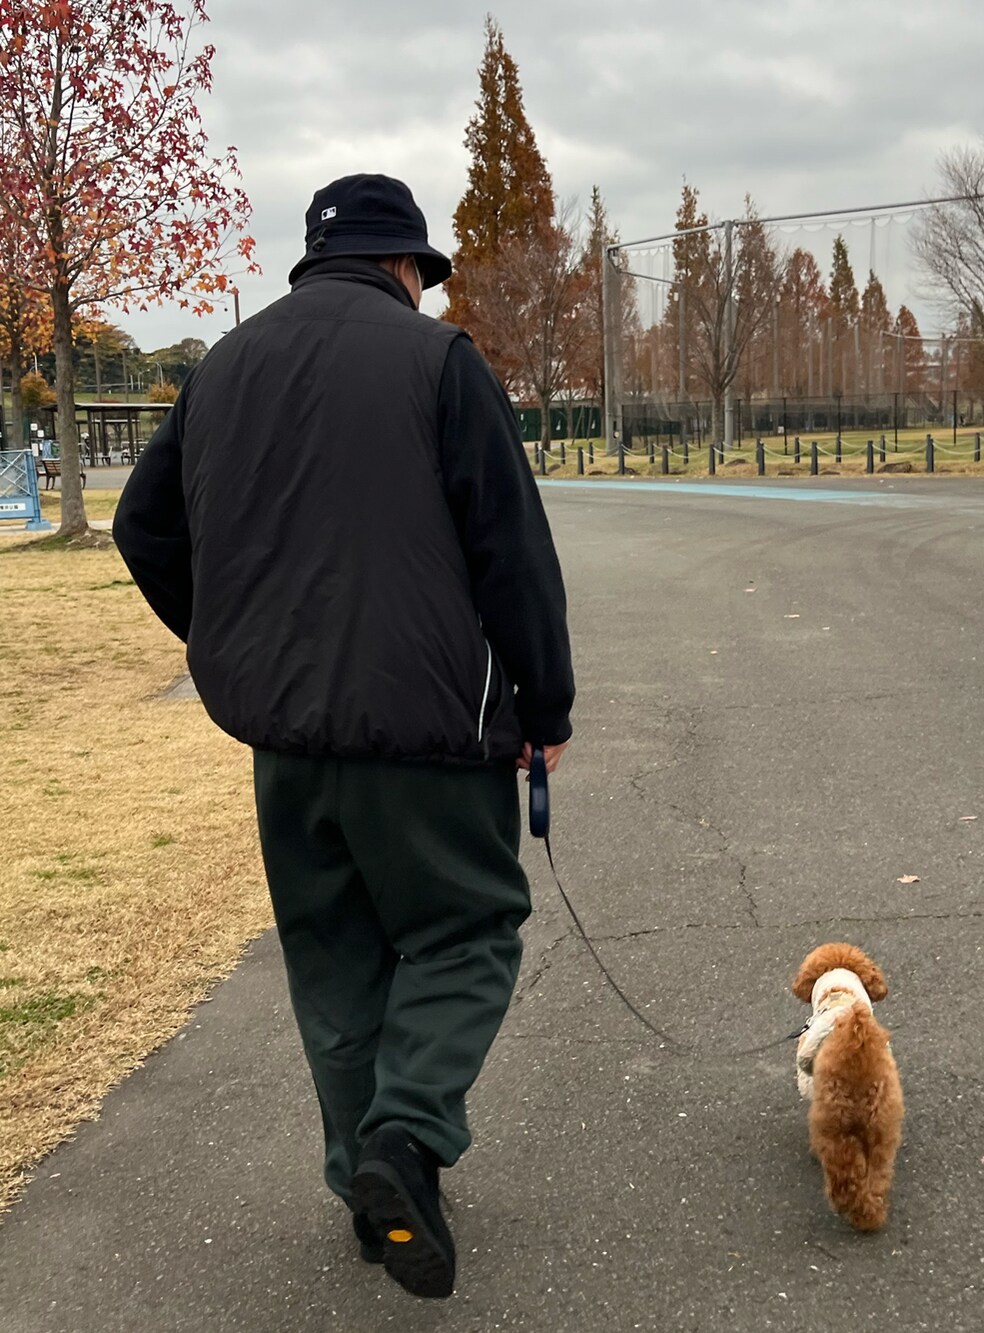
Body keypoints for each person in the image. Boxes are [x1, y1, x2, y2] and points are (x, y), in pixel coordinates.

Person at [113, 174, 575, 1301]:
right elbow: (510, 551)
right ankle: (405, 1144)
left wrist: (227, 636)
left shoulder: (220, 367)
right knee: (467, 927)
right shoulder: (436, 361)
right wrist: (543, 708)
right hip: (425, 730)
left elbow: (143, 524)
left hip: (285, 739)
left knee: (335, 956)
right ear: (406, 266)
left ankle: (370, 1194)